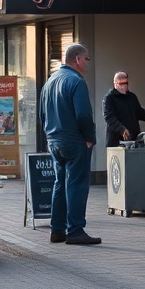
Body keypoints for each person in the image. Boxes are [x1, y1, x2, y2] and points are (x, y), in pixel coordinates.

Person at [38, 43, 100, 245]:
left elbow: (41, 114)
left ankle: (57, 230)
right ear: (77, 59)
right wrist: (90, 138)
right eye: (86, 59)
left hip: (54, 140)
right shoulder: (76, 81)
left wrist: (49, 135)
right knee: (77, 185)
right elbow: (83, 114)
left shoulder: (50, 81)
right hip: (74, 140)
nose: (88, 63)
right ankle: (75, 230)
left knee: (60, 183)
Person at [102, 71, 145, 147]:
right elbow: (109, 118)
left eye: (126, 83)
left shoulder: (131, 97)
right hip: (116, 141)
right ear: (115, 84)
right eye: (121, 84)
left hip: (133, 140)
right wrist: (122, 129)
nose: (124, 86)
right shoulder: (109, 98)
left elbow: (139, 113)